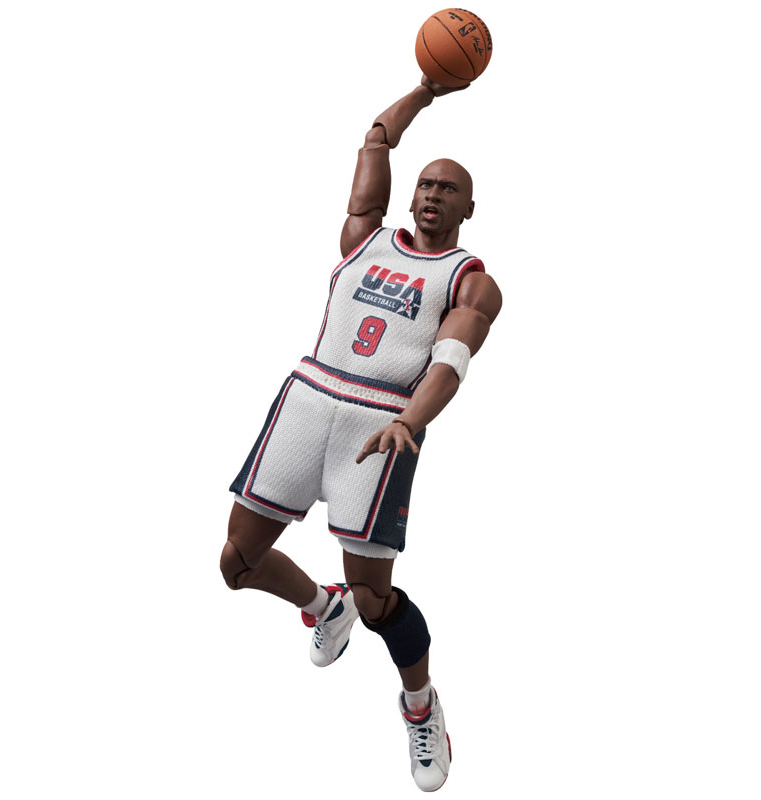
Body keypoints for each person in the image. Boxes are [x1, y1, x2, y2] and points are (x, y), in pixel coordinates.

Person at [221, 75, 502, 792]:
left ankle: (421, 707)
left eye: (449, 189)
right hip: (308, 399)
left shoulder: (469, 279)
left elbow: (451, 361)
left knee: (376, 599)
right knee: (237, 562)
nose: (433, 194)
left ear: (469, 208)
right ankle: (322, 606)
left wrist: (411, 419)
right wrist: (425, 90)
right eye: (426, 184)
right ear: (411, 196)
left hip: (381, 423)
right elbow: (376, 139)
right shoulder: (363, 240)